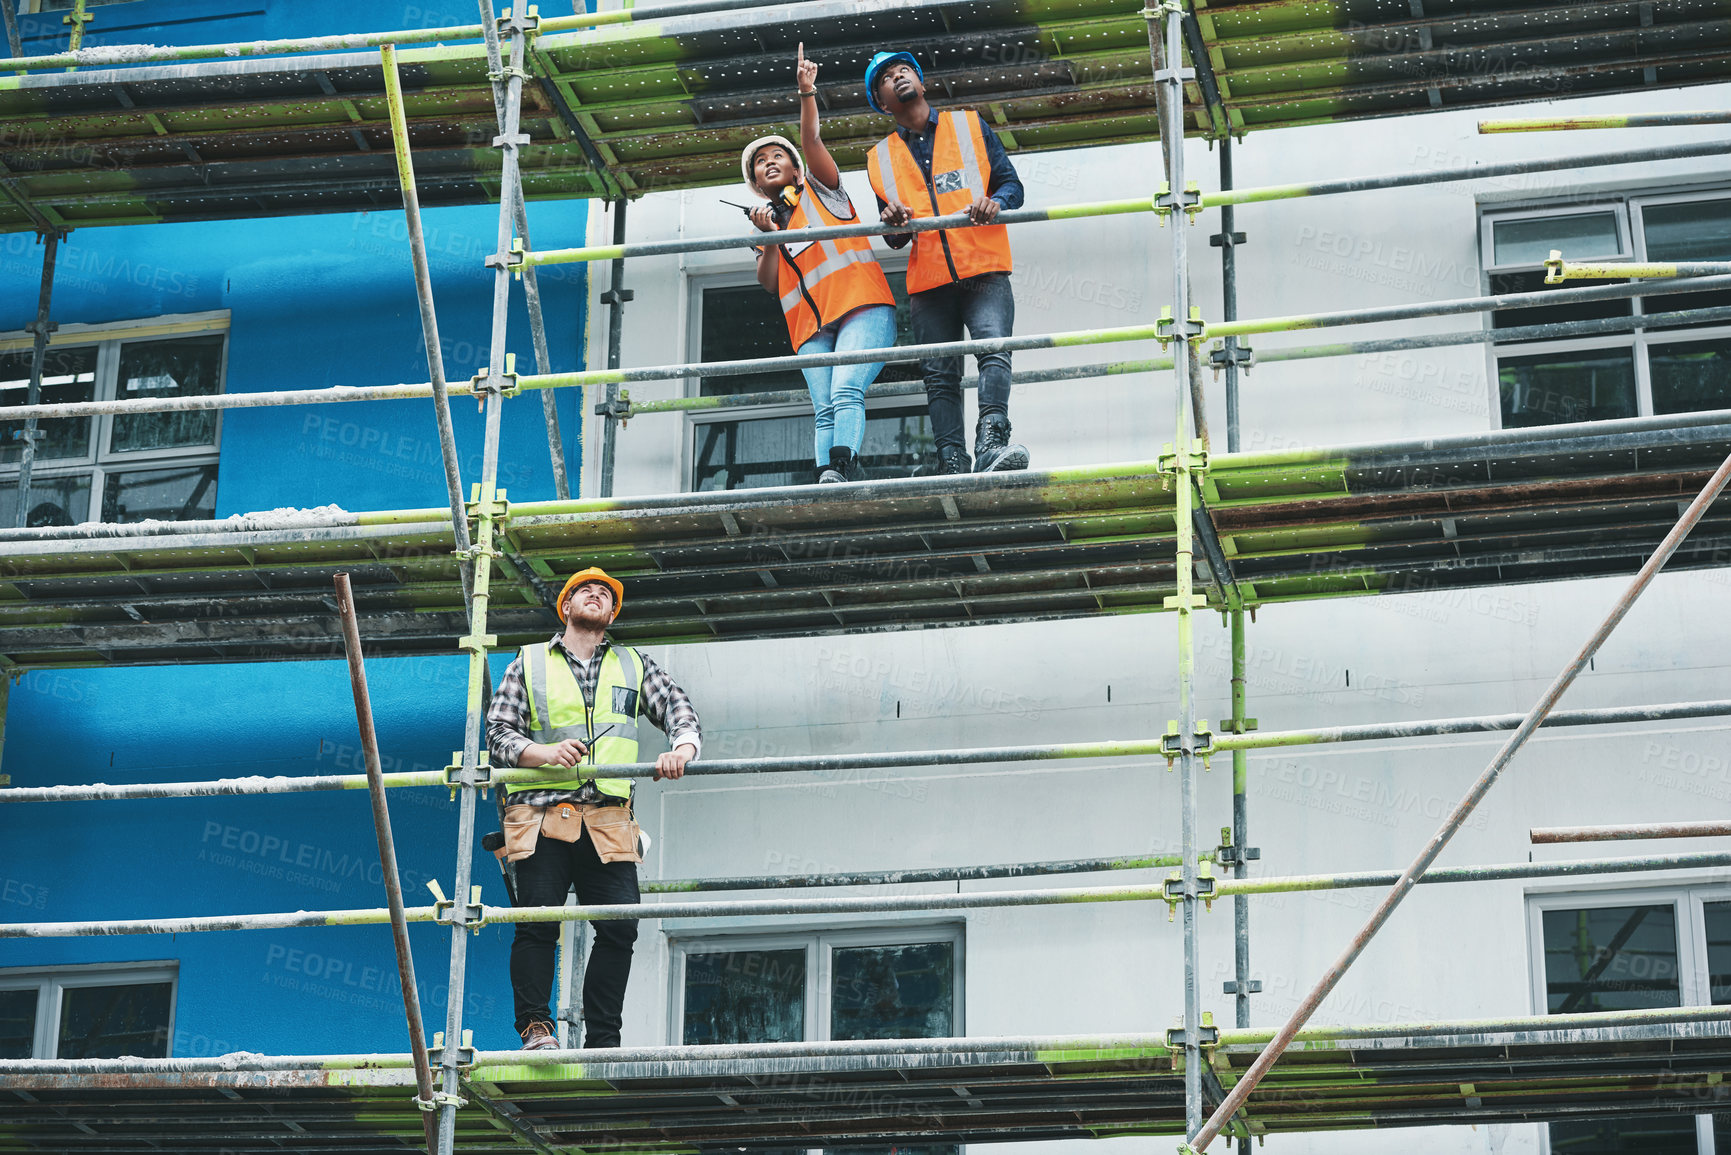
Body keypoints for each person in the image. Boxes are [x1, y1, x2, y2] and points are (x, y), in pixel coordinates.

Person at [485, 566, 701, 1050]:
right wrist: (544, 753)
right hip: (543, 814)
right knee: (538, 923)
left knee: (620, 927)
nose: (596, 595)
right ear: (566, 607)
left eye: (606, 593)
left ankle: (603, 1038)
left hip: (607, 819)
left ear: (611, 613)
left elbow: (679, 711)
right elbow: (498, 733)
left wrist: (680, 751)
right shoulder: (530, 662)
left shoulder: (632, 664)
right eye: (585, 590)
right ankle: (537, 1029)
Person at [864, 50, 1030, 476]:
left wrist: (996, 202)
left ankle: (992, 443)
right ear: (883, 102)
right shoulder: (879, 158)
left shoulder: (969, 125)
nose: (896, 75)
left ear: (921, 82)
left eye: (903, 69)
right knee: (939, 374)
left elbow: (1012, 184)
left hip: (984, 267)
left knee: (993, 350)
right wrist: (894, 223)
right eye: (885, 76)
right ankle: (952, 460)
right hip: (930, 280)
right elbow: (896, 237)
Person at [745, 43, 899, 484]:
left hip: (861, 307)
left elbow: (811, 140)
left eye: (778, 156)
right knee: (823, 405)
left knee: (846, 388)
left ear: (796, 171)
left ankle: (843, 467)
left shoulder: (822, 190)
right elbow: (770, 284)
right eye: (760, 162)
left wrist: (806, 93)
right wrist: (772, 240)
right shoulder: (765, 223)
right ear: (757, 184)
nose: (769, 162)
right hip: (810, 329)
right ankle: (825, 476)